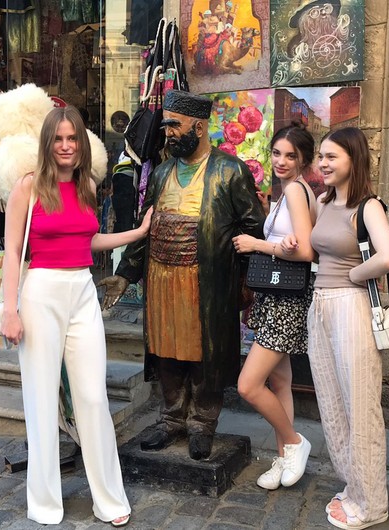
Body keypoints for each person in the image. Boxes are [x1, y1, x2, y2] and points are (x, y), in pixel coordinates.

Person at [1, 106, 151, 527]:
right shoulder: (27, 188)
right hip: (41, 291)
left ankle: (109, 497)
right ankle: (45, 502)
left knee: (91, 396)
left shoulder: (87, 185)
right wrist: (10, 309)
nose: (66, 146)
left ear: (81, 143)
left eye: (73, 138)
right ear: (47, 143)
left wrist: (137, 234)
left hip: (82, 289)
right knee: (42, 397)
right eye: (58, 138)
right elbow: (13, 251)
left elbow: (90, 238)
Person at [99, 90, 266, 460]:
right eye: (166, 125)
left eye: (174, 124)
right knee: (167, 351)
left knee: (203, 353)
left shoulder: (229, 172)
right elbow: (145, 230)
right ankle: (171, 417)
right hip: (161, 281)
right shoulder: (159, 174)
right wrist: (125, 274)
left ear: (200, 126)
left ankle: (202, 422)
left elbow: (254, 229)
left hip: (206, 283)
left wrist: (245, 283)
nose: (168, 132)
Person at [309, 127, 389, 529]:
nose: (323, 164)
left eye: (332, 157)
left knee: (361, 407)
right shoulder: (326, 200)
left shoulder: (368, 206)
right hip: (321, 305)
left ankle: (373, 504)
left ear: (353, 160)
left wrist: (356, 275)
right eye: (321, 156)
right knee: (332, 402)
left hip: (351, 307)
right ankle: (354, 487)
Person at [232, 125, 316, 490]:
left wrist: (257, 244)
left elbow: (307, 252)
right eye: (277, 153)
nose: (281, 161)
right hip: (275, 295)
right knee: (280, 381)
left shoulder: (296, 191)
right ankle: (284, 459)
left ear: (303, 161)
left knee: (249, 385)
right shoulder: (287, 193)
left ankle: (295, 442)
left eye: (290, 156)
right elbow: (292, 242)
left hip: (287, 299)